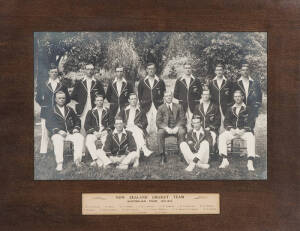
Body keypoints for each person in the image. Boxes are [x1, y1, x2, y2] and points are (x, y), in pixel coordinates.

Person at [35, 63, 70, 154]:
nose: (54, 74)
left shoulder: (62, 85)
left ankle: (57, 151)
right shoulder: (44, 84)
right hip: (46, 111)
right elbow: (38, 98)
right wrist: (44, 105)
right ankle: (43, 152)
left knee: (57, 131)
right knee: (45, 132)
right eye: (52, 72)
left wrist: (60, 106)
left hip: (58, 112)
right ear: (48, 73)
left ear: (57, 73)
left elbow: (68, 99)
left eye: (55, 72)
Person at [46, 91, 84, 171]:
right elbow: (49, 124)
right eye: (59, 98)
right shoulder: (51, 110)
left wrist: (76, 128)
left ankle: (77, 161)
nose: (61, 100)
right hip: (58, 133)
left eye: (63, 98)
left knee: (80, 137)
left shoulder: (69, 109)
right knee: (57, 140)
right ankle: (59, 163)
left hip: (70, 132)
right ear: (55, 100)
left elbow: (77, 120)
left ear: (65, 99)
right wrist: (59, 131)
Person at [218, 90, 256, 171]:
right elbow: (226, 121)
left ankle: (250, 161)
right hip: (233, 131)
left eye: (239, 96)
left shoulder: (248, 108)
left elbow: (251, 122)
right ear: (234, 98)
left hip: (244, 131)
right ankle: (224, 160)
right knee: (221, 137)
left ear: (242, 97)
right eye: (235, 96)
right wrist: (231, 129)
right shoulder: (230, 108)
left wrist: (244, 130)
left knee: (251, 137)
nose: (237, 98)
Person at [71, 64, 105, 134]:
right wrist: (81, 101)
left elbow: (103, 95)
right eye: (88, 69)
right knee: (82, 125)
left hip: (93, 106)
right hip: (82, 108)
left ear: (94, 71)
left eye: (91, 69)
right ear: (85, 70)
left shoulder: (97, 82)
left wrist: (96, 101)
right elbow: (73, 95)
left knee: (92, 125)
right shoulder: (80, 82)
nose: (90, 71)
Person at [156, 91, 187, 165]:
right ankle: (162, 155)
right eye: (166, 96)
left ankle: (181, 153)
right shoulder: (160, 108)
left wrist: (177, 127)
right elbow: (158, 121)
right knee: (160, 133)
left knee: (182, 132)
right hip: (166, 129)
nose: (169, 97)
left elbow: (183, 119)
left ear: (172, 97)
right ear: (164, 98)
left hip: (177, 127)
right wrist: (166, 128)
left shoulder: (179, 106)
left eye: (170, 96)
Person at [119, 93, 153, 157]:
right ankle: (144, 149)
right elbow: (118, 120)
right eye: (132, 99)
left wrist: (137, 125)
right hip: (126, 128)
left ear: (137, 100)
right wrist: (124, 125)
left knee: (135, 131)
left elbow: (145, 122)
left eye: (135, 99)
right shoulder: (124, 110)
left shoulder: (141, 110)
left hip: (137, 128)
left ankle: (137, 157)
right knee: (135, 131)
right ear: (129, 100)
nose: (133, 100)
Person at [84, 94, 114, 167]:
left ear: (103, 101)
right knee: (88, 140)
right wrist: (94, 132)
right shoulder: (90, 112)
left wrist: (105, 131)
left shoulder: (108, 111)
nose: (99, 102)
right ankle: (98, 160)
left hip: (104, 131)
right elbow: (86, 125)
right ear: (95, 102)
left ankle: (101, 161)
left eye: (101, 100)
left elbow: (112, 124)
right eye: (98, 100)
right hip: (94, 132)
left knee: (106, 142)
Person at [138, 63, 166, 133]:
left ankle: (158, 133)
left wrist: (160, 101)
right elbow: (139, 94)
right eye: (149, 69)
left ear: (155, 70)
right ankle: (146, 134)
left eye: (152, 69)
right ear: (147, 70)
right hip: (146, 104)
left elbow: (163, 93)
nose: (151, 70)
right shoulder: (142, 81)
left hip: (157, 104)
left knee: (158, 119)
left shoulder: (160, 81)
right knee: (147, 119)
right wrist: (142, 102)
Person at [173, 62, 203, 127]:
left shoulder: (196, 80)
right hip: (183, 104)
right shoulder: (179, 80)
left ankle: (193, 134)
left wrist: (194, 98)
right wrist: (183, 99)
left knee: (194, 120)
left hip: (194, 104)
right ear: (184, 69)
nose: (188, 69)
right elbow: (175, 94)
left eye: (189, 68)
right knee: (183, 120)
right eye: (186, 68)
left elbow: (200, 93)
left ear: (191, 69)